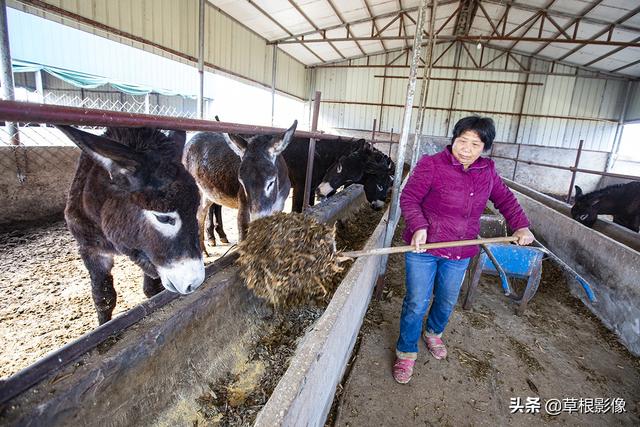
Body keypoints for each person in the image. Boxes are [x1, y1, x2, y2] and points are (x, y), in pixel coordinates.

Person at [392, 116, 534, 384]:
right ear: (453, 140)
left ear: (485, 147)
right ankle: (406, 351)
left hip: (460, 249)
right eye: (462, 141)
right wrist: (419, 225)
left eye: (475, 144)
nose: (466, 149)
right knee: (416, 301)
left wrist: (521, 226)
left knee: (446, 299)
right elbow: (409, 197)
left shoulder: (487, 172)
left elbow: (505, 199)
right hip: (424, 247)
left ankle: (433, 332)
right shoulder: (431, 165)